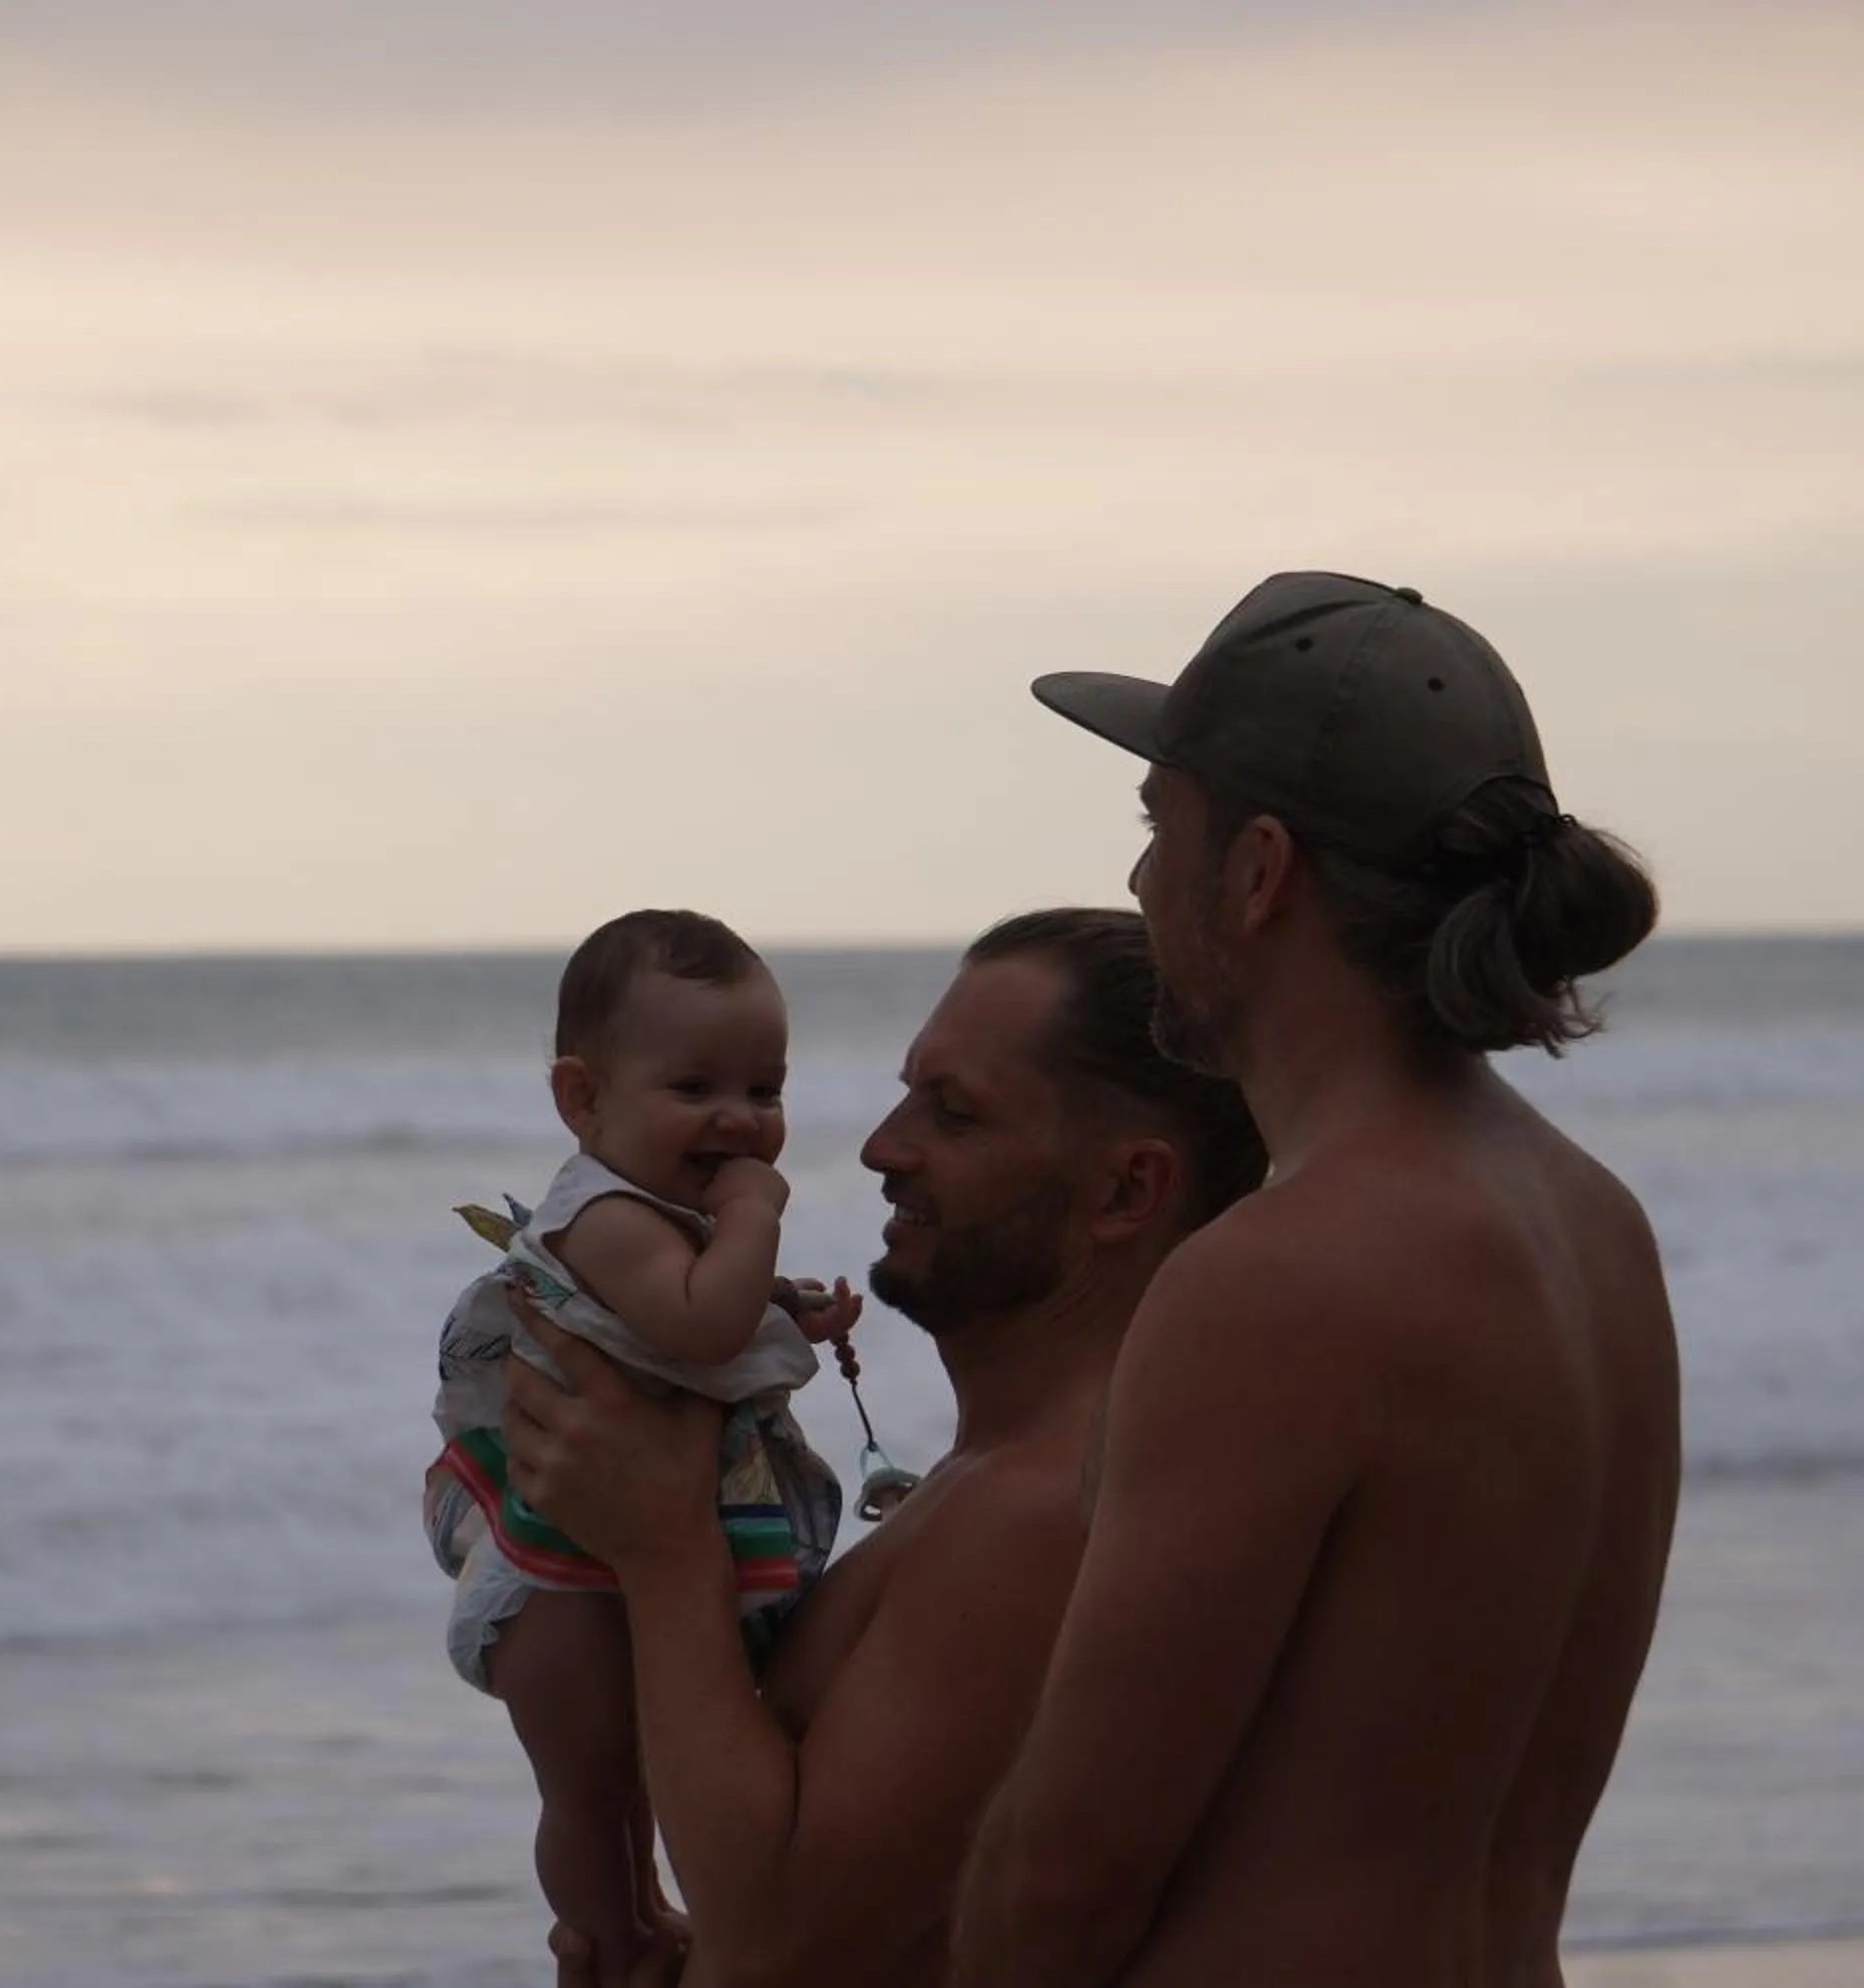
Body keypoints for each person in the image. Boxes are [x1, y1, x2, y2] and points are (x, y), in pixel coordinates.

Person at [948, 571, 1682, 1986]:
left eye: (1161, 826)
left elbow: (1065, 1870)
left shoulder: (1282, 1281)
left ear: (1261, 868)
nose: (1142, 880)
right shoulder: (1598, 1229)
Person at [501, 908, 1265, 1988]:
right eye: (908, 1090)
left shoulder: (1043, 1508)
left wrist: (665, 1552)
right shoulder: (1014, 1474)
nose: (880, 1144)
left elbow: (778, 1939)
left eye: (951, 1111)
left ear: (1128, 1189)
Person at [426, 909, 852, 1987]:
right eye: (696, 1088)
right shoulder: (606, 1217)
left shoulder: (661, 1210)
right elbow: (700, 1323)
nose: (738, 1121)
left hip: (600, 1565)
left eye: (765, 1090)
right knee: (587, 1789)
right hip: (554, 1585)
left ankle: (644, 1914)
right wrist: (761, 1213)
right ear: (583, 1099)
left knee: (638, 1779)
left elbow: (704, 1316)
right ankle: (606, 1938)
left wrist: (789, 1306)